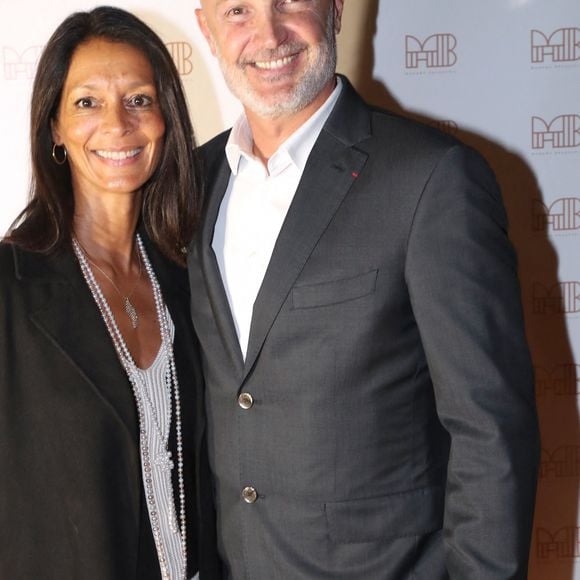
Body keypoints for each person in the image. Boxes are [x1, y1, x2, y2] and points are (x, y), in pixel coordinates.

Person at [188, 1, 540, 578]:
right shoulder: (193, 184)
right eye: (238, 10)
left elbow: (491, 428)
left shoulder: (431, 178)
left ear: (335, 9)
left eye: (289, 3)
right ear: (207, 29)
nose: (268, 34)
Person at [0, 7, 221, 580]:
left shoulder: (190, 275)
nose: (118, 124)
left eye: (140, 99)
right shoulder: (9, 286)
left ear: (165, 118)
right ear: (54, 126)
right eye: (87, 101)